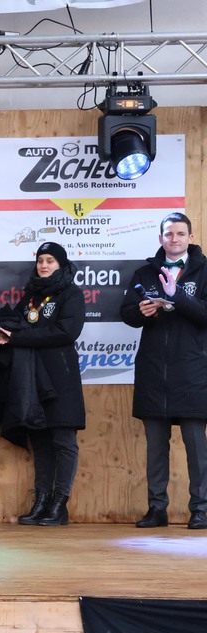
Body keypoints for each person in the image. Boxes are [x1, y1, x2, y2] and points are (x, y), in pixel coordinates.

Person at [0, 241, 86, 526]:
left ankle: (59, 504)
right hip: (31, 376)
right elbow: (18, 323)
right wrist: (3, 331)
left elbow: (66, 332)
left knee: (63, 441)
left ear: (61, 265)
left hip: (60, 377)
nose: (44, 265)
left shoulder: (72, 293)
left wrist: (18, 338)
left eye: (50, 261)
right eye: (41, 260)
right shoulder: (31, 294)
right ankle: (42, 500)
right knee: (40, 440)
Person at [120, 212, 207, 530]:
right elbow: (127, 313)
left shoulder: (205, 271)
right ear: (160, 238)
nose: (174, 239)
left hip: (193, 371)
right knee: (156, 447)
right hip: (154, 371)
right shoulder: (144, 272)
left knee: (197, 448)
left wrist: (177, 297)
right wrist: (142, 312)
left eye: (180, 233)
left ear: (191, 237)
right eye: (169, 234)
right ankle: (157, 508)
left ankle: (201, 509)